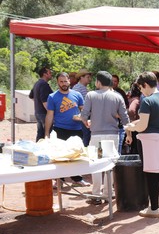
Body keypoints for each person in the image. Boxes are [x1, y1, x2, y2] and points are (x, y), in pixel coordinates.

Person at [125, 71, 159, 218]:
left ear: (146, 85)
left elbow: (142, 126)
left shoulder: (147, 101)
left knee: (151, 174)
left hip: (150, 141)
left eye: (141, 88)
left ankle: (154, 208)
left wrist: (131, 128)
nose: (141, 91)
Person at [81, 71, 129, 202]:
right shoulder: (117, 96)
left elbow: (84, 115)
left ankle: (96, 194)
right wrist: (129, 134)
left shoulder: (91, 95)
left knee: (96, 164)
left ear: (99, 82)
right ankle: (108, 194)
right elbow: (125, 118)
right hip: (112, 135)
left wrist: (87, 122)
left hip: (97, 135)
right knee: (109, 165)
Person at [45, 72, 89, 186]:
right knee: (60, 156)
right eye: (61, 81)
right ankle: (59, 180)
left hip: (77, 129)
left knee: (76, 155)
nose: (64, 84)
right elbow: (49, 115)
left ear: (69, 81)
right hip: (60, 129)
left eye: (65, 81)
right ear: (57, 82)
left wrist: (84, 119)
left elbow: (83, 111)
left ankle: (77, 178)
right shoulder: (52, 97)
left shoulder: (77, 95)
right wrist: (46, 133)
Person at [30, 66, 53, 142]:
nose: (51, 74)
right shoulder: (44, 84)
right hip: (44, 114)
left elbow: (31, 96)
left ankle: (38, 149)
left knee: (40, 133)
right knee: (47, 133)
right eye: (49, 72)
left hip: (38, 112)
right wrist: (50, 112)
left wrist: (38, 104)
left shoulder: (37, 83)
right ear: (44, 74)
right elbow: (44, 101)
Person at [73, 69, 93, 146]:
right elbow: (77, 103)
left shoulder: (82, 87)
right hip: (82, 117)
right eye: (87, 77)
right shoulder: (78, 87)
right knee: (85, 137)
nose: (89, 79)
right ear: (81, 77)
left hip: (85, 116)